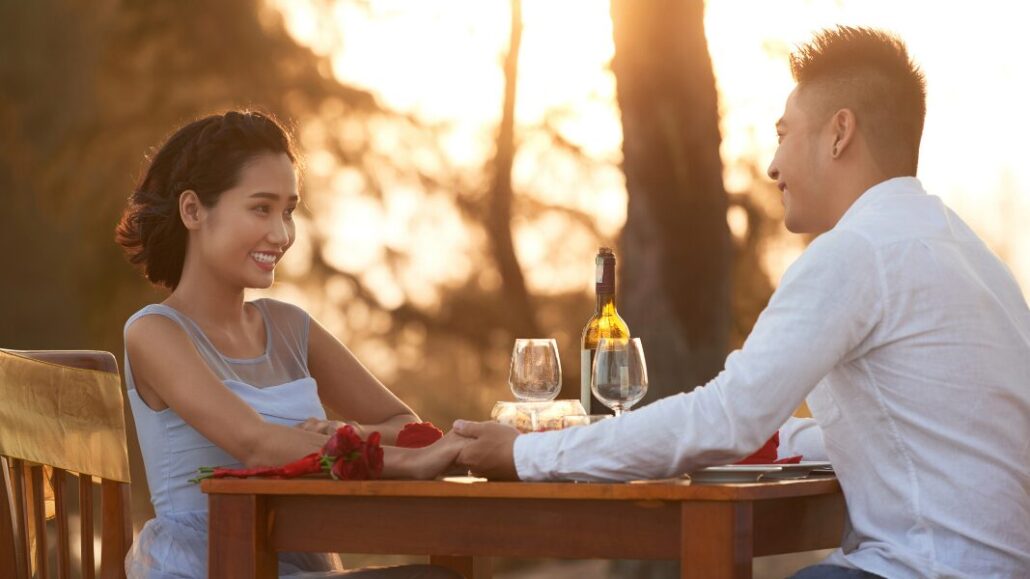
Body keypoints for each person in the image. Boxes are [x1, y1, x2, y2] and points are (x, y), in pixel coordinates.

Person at [452, 26, 1030, 578]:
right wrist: (780, 437)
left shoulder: (855, 252)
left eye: (783, 134)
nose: (773, 166)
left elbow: (723, 417)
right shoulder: (969, 255)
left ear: (839, 132)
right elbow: (923, 437)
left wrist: (529, 454)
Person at [115, 110, 463, 578]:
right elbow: (255, 444)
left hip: (296, 559)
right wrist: (410, 465)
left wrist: (353, 436)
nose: (281, 234)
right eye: (261, 208)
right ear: (193, 210)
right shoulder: (155, 332)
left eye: (288, 211)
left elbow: (406, 424)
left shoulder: (290, 326)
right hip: (206, 567)